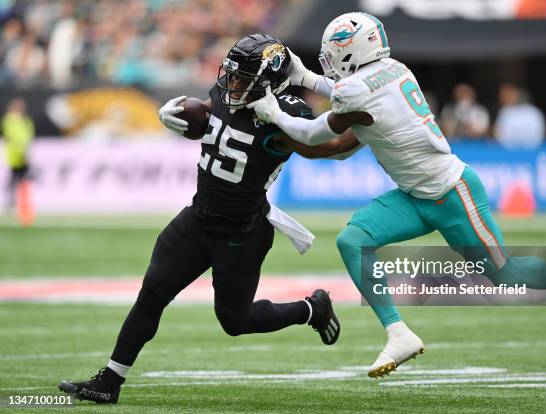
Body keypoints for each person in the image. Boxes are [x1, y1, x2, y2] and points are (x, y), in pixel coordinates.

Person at [247, 13, 546, 378]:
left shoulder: (358, 89)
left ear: (353, 50)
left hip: (451, 192)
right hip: (415, 195)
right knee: (353, 240)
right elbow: (343, 99)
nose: (331, 59)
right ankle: (397, 333)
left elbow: (314, 135)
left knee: (504, 273)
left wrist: (274, 111)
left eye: (334, 51)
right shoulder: (393, 69)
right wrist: (303, 76)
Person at [58, 34, 360, 404]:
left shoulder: (287, 116)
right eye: (231, 74)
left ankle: (311, 309)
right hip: (197, 218)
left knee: (236, 322)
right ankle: (110, 381)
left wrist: (362, 116)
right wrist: (177, 115)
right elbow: (206, 113)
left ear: (270, 81)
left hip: (242, 232)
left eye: (242, 77)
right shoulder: (225, 92)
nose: (232, 84)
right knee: (151, 294)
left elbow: (329, 147)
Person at [1, 98, 34, 225]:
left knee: (21, 181)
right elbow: (9, 136)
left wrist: (25, 151)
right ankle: (12, 204)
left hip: (21, 153)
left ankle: (20, 205)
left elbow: (27, 137)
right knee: (16, 180)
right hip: (15, 155)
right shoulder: (9, 120)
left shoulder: (25, 121)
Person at [494, 83, 546, 149]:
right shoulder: (505, 112)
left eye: (508, 95)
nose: (503, 99)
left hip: (531, 151)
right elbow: (499, 135)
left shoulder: (533, 112)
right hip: (508, 153)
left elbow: (539, 133)